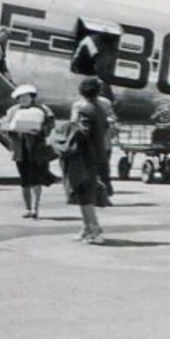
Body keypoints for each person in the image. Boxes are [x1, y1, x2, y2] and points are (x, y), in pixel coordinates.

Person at [65, 77, 110, 244]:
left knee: (84, 194)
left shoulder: (83, 109)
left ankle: (96, 229)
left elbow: (82, 132)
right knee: (84, 193)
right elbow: (105, 128)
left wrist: (71, 125)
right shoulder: (101, 108)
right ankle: (86, 228)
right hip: (98, 154)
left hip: (84, 156)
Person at [1, 83, 55, 220]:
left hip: (37, 148)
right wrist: (12, 130)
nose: (23, 100)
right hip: (20, 148)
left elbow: (50, 124)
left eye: (26, 97)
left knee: (36, 179)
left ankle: (35, 208)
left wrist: (41, 130)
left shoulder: (43, 109)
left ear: (32, 97)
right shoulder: (13, 110)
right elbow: (4, 126)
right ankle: (27, 207)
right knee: (24, 180)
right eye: (20, 97)